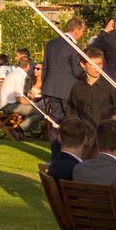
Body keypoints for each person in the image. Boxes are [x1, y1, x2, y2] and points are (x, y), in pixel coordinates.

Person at [39, 16, 86, 150]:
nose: (82, 35)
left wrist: (44, 86)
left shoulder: (51, 44)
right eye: (82, 31)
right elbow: (76, 71)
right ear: (77, 31)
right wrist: (88, 76)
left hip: (52, 88)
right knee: (70, 122)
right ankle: (68, 150)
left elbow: (46, 67)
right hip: (68, 90)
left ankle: (56, 152)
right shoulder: (74, 47)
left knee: (55, 122)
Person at [68, 46, 116, 127]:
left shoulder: (110, 86)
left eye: (99, 64)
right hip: (84, 135)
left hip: (105, 134)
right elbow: (71, 114)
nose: (97, 68)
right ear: (83, 64)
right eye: (92, 64)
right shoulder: (77, 88)